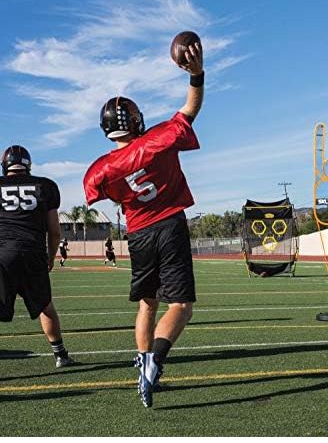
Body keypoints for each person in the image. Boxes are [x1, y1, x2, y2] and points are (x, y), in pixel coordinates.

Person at [83, 39, 204, 408]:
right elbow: (190, 110)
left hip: (137, 233)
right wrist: (196, 74)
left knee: (146, 305)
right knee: (180, 306)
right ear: (135, 120)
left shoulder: (100, 168)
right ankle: (154, 364)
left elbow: (108, 194)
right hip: (168, 225)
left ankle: (141, 366)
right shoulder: (158, 138)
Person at [0, 145, 74, 368]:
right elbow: (55, 231)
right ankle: (60, 355)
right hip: (33, 253)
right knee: (45, 306)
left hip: (3, 254)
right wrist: (51, 257)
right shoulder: (45, 186)